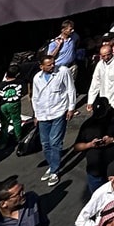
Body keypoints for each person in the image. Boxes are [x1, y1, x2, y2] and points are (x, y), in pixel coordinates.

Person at [32, 52, 78, 187]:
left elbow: (71, 89)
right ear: (41, 67)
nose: (53, 66)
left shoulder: (63, 71)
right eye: (49, 65)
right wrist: (36, 114)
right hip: (43, 114)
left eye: (53, 63)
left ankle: (55, 171)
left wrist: (71, 108)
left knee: (54, 142)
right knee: (45, 143)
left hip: (58, 112)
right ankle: (51, 165)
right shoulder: (37, 78)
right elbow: (35, 97)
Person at [74, 97, 114, 196]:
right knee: (99, 201)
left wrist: (113, 139)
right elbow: (77, 147)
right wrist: (90, 144)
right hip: (95, 172)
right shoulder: (87, 125)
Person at [88, 38, 114, 111]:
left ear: (112, 52)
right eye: (103, 56)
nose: (106, 58)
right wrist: (90, 101)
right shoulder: (100, 65)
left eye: (107, 55)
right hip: (104, 100)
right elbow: (95, 83)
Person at [0, 64, 24, 151]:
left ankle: (3, 143)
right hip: (15, 104)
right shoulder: (20, 82)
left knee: (4, 124)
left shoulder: (2, 84)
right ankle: (18, 138)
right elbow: (22, 93)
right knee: (16, 121)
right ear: (17, 74)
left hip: (3, 105)